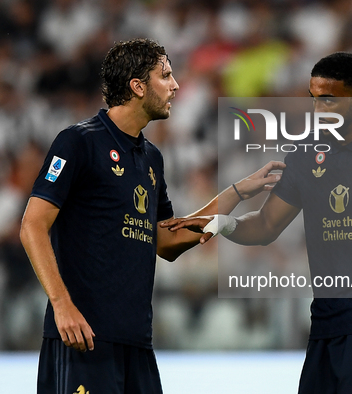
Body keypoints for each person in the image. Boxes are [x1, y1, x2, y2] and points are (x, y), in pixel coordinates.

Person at [162, 52, 352, 394]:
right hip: (324, 324)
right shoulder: (307, 155)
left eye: (329, 100)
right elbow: (265, 225)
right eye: (314, 100)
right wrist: (224, 223)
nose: (319, 110)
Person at [20, 38, 284, 394]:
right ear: (138, 86)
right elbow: (32, 225)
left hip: (137, 343)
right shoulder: (78, 142)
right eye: (166, 76)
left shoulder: (152, 159)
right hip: (82, 339)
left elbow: (167, 240)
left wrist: (235, 194)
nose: (175, 86)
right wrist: (62, 305)